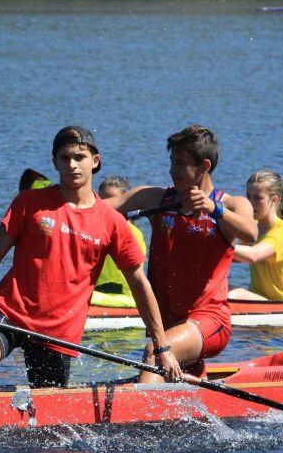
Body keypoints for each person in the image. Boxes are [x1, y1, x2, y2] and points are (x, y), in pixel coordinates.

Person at [0, 126, 175, 390]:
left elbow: (139, 284)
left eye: (80, 157)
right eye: (64, 158)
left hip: (58, 335)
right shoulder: (28, 202)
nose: (72, 165)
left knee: (46, 423)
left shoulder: (112, 223)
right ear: (55, 161)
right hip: (10, 314)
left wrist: (162, 347)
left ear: (95, 161)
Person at [106, 125, 257, 382]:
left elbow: (251, 233)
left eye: (180, 163)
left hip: (210, 320)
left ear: (204, 166)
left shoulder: (232, 204)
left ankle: (135, 422)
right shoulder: (156, 199)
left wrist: (214, 209)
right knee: (181, 390)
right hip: (167, 323)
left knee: (155, 352)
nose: (172, 171)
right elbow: (96, 209)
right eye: (171, 162)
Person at [228, 170, 283, 301]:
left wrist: (218, 247)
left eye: (258, 198)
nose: (251, 203)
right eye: (248, 197)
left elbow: (253, 255)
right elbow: (235, 255)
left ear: (274, 200)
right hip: (258, 298)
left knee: (231, 294)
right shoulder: (253, 227)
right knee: (217, 287)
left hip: (282, 305)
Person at [90, 175, 147, 308]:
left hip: (123, 297)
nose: (107, 205)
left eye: (113, 200)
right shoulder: (92, 228)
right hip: (97, 292)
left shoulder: (133, 233)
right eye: (102, 200)